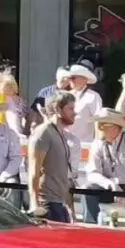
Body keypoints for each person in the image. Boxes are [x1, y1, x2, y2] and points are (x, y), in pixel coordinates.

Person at [27, 92, 78, 223]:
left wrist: (71, 208)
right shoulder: (43, 132)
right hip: (47, 204)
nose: (75, 113)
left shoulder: (61, 134)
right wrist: (34, 204)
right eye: (70, 108)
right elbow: (34, 171)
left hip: (60, 204)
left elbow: (63, 175)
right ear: (57, 109)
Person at [65, 63, 105, 145]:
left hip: (84, 144)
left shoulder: (93, 96)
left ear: (84, 79)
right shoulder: (67, 95)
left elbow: (98, 120)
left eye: (72, 78)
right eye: (69, 78)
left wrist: (98, 143)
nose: (70, 80)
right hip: (65, 143)